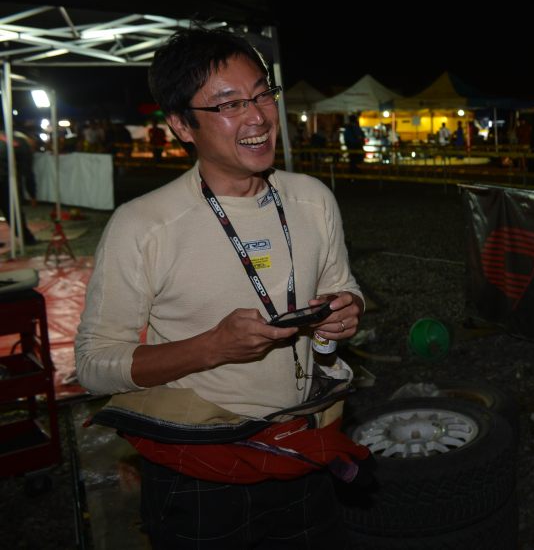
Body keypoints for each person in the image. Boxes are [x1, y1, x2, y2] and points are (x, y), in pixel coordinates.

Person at [75, 28, 369, 548]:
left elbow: (340, 284)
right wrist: (212, 347)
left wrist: (346, 310)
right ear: (181, 124)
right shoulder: (144, 225)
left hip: (303, 445)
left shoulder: (312, 198)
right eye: (230, 104)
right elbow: (94, 365)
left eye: (261, 94)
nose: (258, 117)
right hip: (198, 467)